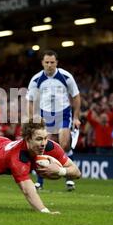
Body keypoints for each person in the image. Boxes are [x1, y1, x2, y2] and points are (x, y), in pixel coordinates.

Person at [26, 50, 81, 191]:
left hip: (63, 114)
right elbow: (30, 101)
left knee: (64, 144)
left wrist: (76, 117)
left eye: (52, 62)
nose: (49, 65)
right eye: (47, 62)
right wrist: (32, 119)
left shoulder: (66, 76)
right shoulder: (36, 79)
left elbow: (76, 96)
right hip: (46, 116)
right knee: (43, 147)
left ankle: (69, 179)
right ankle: (40, 182)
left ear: (57, 62)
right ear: (42, 63)